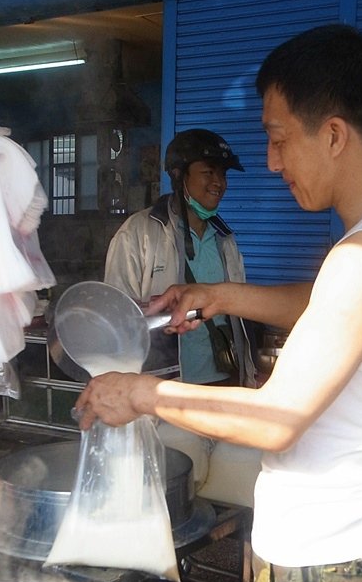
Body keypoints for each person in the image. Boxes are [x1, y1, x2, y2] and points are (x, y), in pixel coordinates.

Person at [76, 23, 362, 582]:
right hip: (353, 548)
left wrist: (140, 393)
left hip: (321, 567)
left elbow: (277, 420)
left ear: (334, 134)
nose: (273, 162)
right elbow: (329, 308)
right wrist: (220, 295)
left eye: (279, 138)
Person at [104, 128, 261, 506]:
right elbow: (114, 319)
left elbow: (238, 311)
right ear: (179, 175)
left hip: (224, 383)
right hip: (167, 393)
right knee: (168, 495)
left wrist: (250, 376)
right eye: (208, 172)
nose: (219, 183)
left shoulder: (226, 238)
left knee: (229, 493)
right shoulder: (139, 234)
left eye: (222, 175)